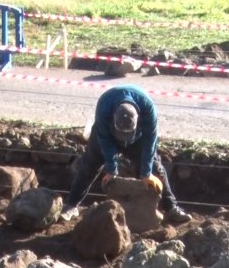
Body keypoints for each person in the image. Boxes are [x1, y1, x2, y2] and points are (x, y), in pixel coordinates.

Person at [61, 85, 192, 224]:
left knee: (155, 167)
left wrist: (146, 173)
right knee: (90, 164)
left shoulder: (148, 108)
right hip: (107, 135)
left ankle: (171, 208)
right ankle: (71, 205)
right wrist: (111, 169)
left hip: (138, 138)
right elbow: (105, 140)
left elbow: (150, 142)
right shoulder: (104, 107)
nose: (123, 140)